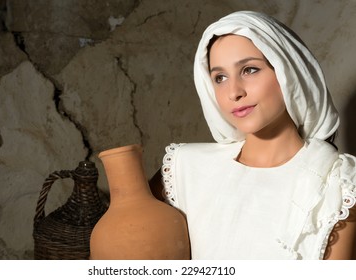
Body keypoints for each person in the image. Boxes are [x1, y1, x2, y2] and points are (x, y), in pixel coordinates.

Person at [150, 10, 356, 259]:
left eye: (249, 70)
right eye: (220, 77)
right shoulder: (185, 169)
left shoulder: (339, 184)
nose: (233, 92)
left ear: (287, 72)